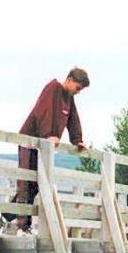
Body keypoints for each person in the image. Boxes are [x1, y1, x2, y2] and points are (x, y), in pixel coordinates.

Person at [10, 67, 90, 230]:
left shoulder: (69, 98)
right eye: (78, 88)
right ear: (69, 80)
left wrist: (78, 140)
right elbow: (44, 112)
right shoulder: (53, 88)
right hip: (29, 141)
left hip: (43, 146)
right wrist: (49, 134)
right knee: (26, 183)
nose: (78, 92)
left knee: (38, 184)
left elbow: (73, 119)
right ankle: (22, 226)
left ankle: (7, 215)